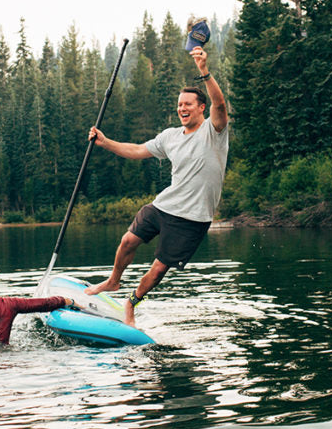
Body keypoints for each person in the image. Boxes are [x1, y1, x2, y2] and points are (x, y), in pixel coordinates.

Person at [84, 46, 229, 327]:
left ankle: (131, 302)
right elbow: (138, 150)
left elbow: (220, 106)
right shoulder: (170, 136)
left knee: (159, 268)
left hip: (193, 217)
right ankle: (114, 282)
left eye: (188, 104)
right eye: (179, 105)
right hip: (165, 205)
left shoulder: (214, 131)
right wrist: (105, 142)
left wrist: (204, 71)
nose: (182, 108)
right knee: (127, 241)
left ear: (201, 108)